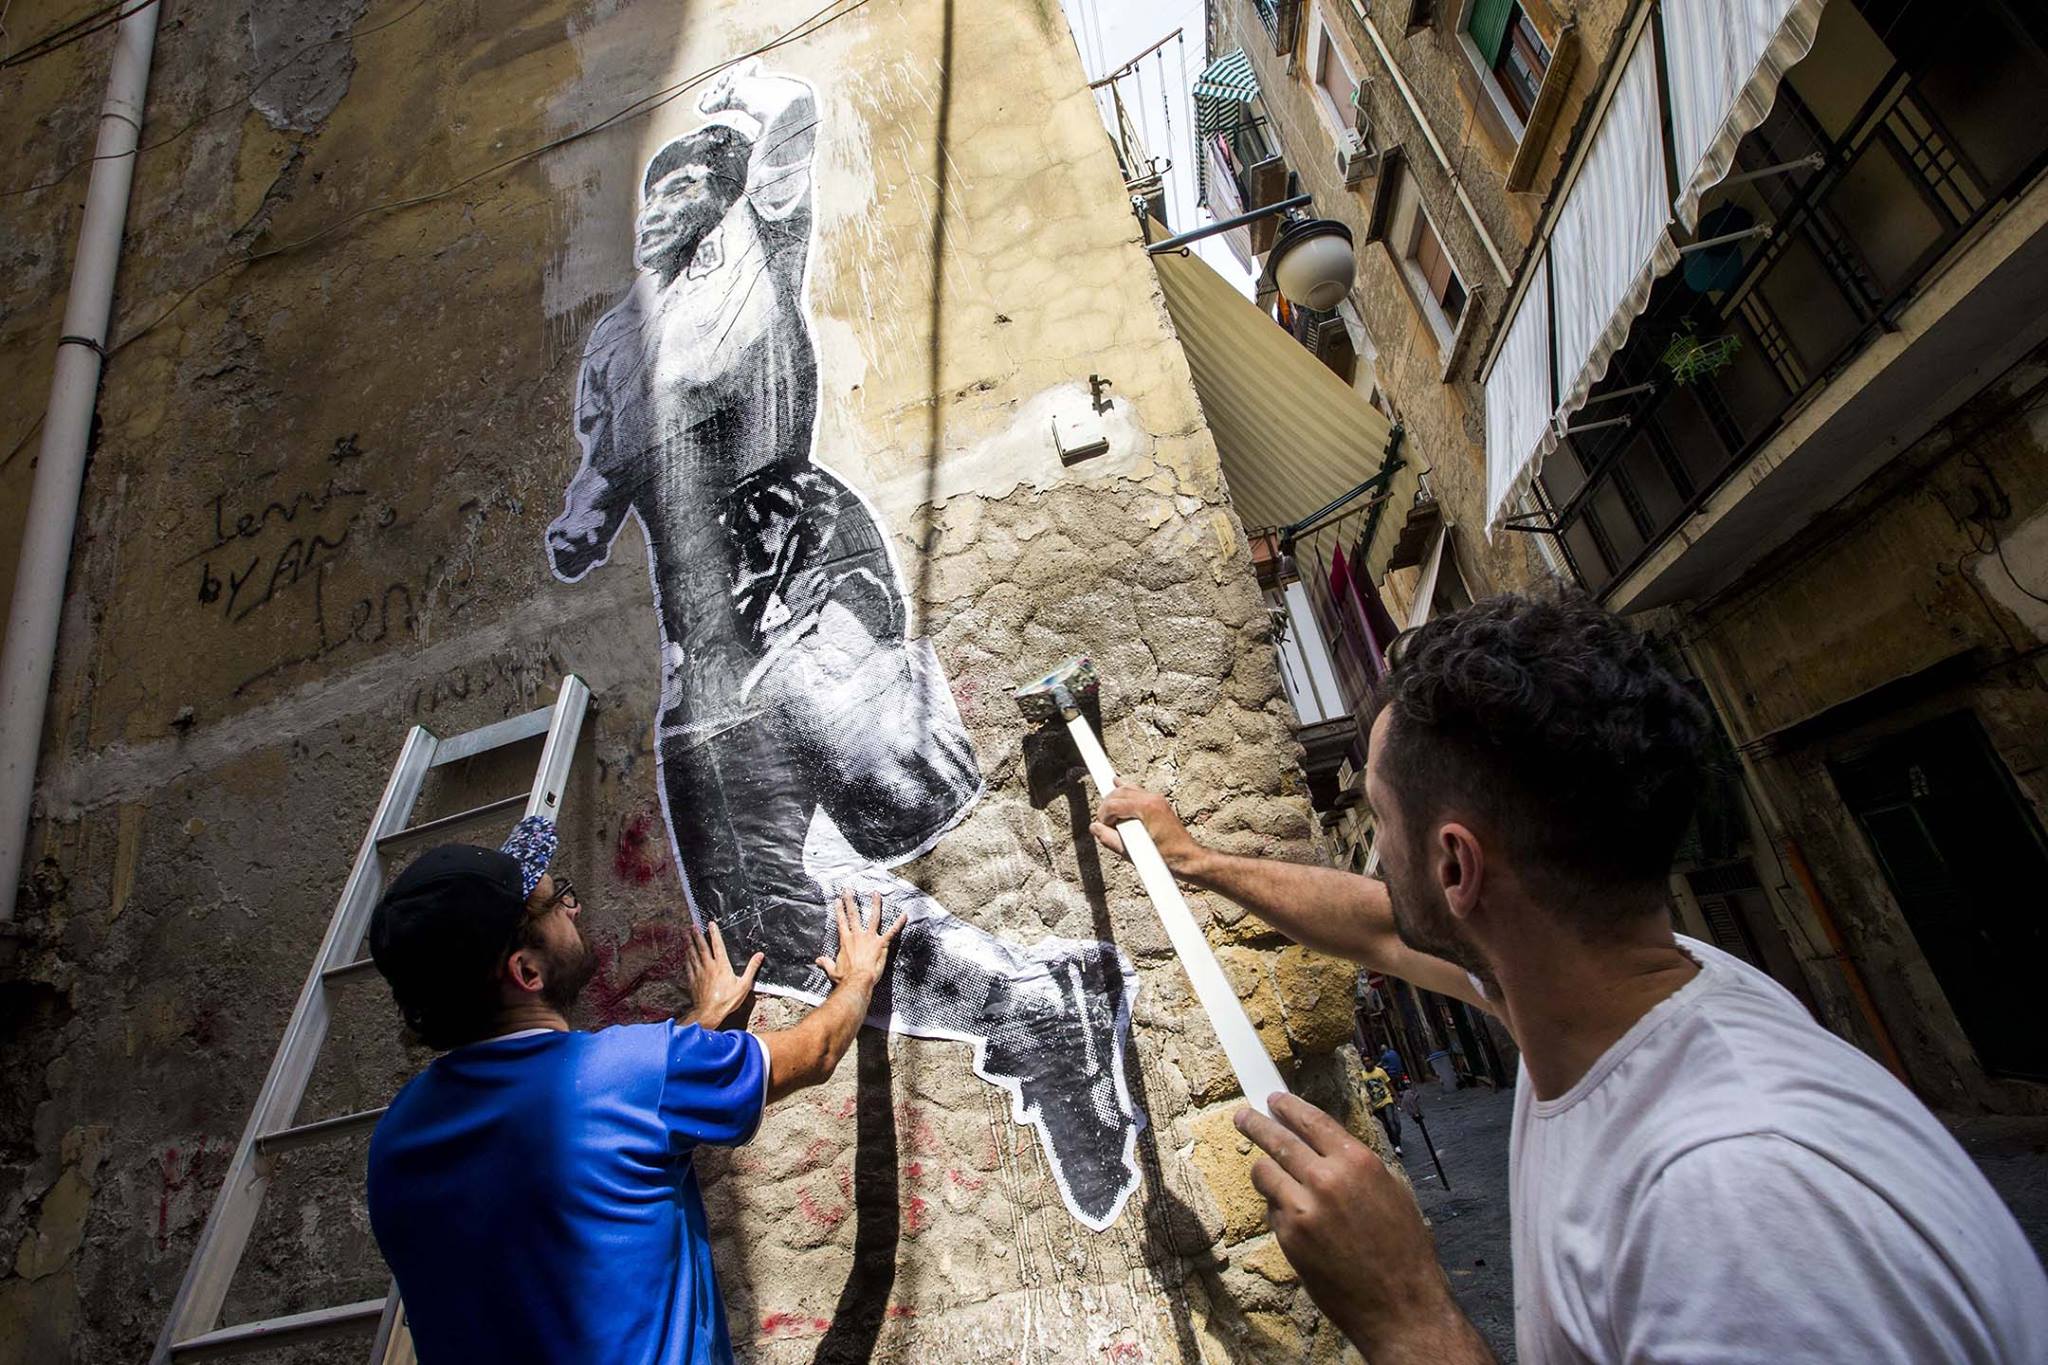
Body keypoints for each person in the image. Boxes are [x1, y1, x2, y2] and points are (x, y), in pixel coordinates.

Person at [1093, 593, 2048, 1364]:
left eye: (1378, 820)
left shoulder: (1736, 1205)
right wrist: (1196, 861)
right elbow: (1382, 923)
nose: (1374, 850)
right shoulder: (1618, 987)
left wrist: (1407, 1313)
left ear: (1457, 866)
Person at [542, 59, 1139, 1225]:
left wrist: (736, 113)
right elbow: (604, 470)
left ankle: (996, 923)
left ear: (722, 194)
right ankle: (1032, 1008)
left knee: (899, 794)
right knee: (757, 927)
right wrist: (579, 522)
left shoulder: (754, 251)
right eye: (654, 191)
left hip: (804, 577)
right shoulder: (614, 342)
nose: (662, 205)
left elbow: (791, 133)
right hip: (701, 651)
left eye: (685, 184)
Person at [365, 815, 901, 1364]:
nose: (573, 909)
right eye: (556, 904)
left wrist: (699, 1026)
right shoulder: (630, 1075)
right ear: (526, 972)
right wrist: (859, 977)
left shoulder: (396, 1141)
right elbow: (816, 1052)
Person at [1359, 1057, 1402, 1155]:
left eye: (1369, 1060)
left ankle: (1397, 1145)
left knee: (1391, 1121)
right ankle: (1394, 1142)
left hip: (1386, 1100)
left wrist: (1395, 1097)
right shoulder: (1363, 1075)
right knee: (1385, 1126)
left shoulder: (1380, 1071)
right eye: (1365, 1061)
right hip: (1375, 1105)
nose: (1367, 1063)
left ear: (1372, 1061)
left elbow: (1389, 1084)